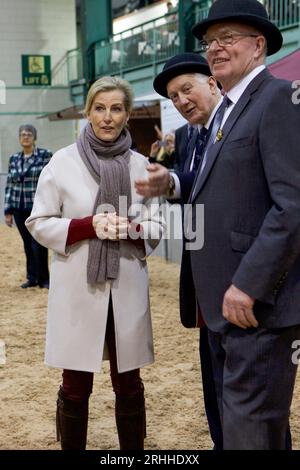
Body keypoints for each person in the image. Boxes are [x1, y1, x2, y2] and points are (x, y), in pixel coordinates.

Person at [26, 76, 164, 450]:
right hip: (79, 288)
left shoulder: (141, 166)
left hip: (126, 286)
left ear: (127, 114)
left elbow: (156, 225)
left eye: (116, 108)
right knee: (75, 384)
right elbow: (38, 222)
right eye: (100, 108)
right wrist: (89, 225)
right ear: (88, 112)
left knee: (129, 383)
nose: (107, 117)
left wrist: (130, 229)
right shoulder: (61, 163)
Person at [186, 0, 300, 449]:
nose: (215, 48)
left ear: (258, 45)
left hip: (258, 305)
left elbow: (292, 204)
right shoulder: (227, 111)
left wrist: (250, 283)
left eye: (227, 38)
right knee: (251, 431)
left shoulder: (277, 99)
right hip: (223, 309)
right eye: (209, 42)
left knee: (249, 431)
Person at [136, 52, 223, 449]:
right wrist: (166, 183)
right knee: (215, 386)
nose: (181, 101)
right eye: (173, 96)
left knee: (251, 399)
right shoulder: (187, 137)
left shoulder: (239, 123)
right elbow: (191, 192)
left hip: (239, 278)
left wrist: (172, 181)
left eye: (186, 89)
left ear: (212, 82)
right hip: (202, 278)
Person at [4, 124, 51, 288]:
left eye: (29, 134)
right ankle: (32, 278)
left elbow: (51, 181)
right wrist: (8, 210)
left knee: (38, 243)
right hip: (18, 208)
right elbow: (10, 184)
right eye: (22, 134)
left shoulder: (44, 156)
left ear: (34, 137)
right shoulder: (14, 158)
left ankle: (44, 279)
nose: (25, 137)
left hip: (37, 208)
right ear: (19, 138)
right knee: (27, 244)